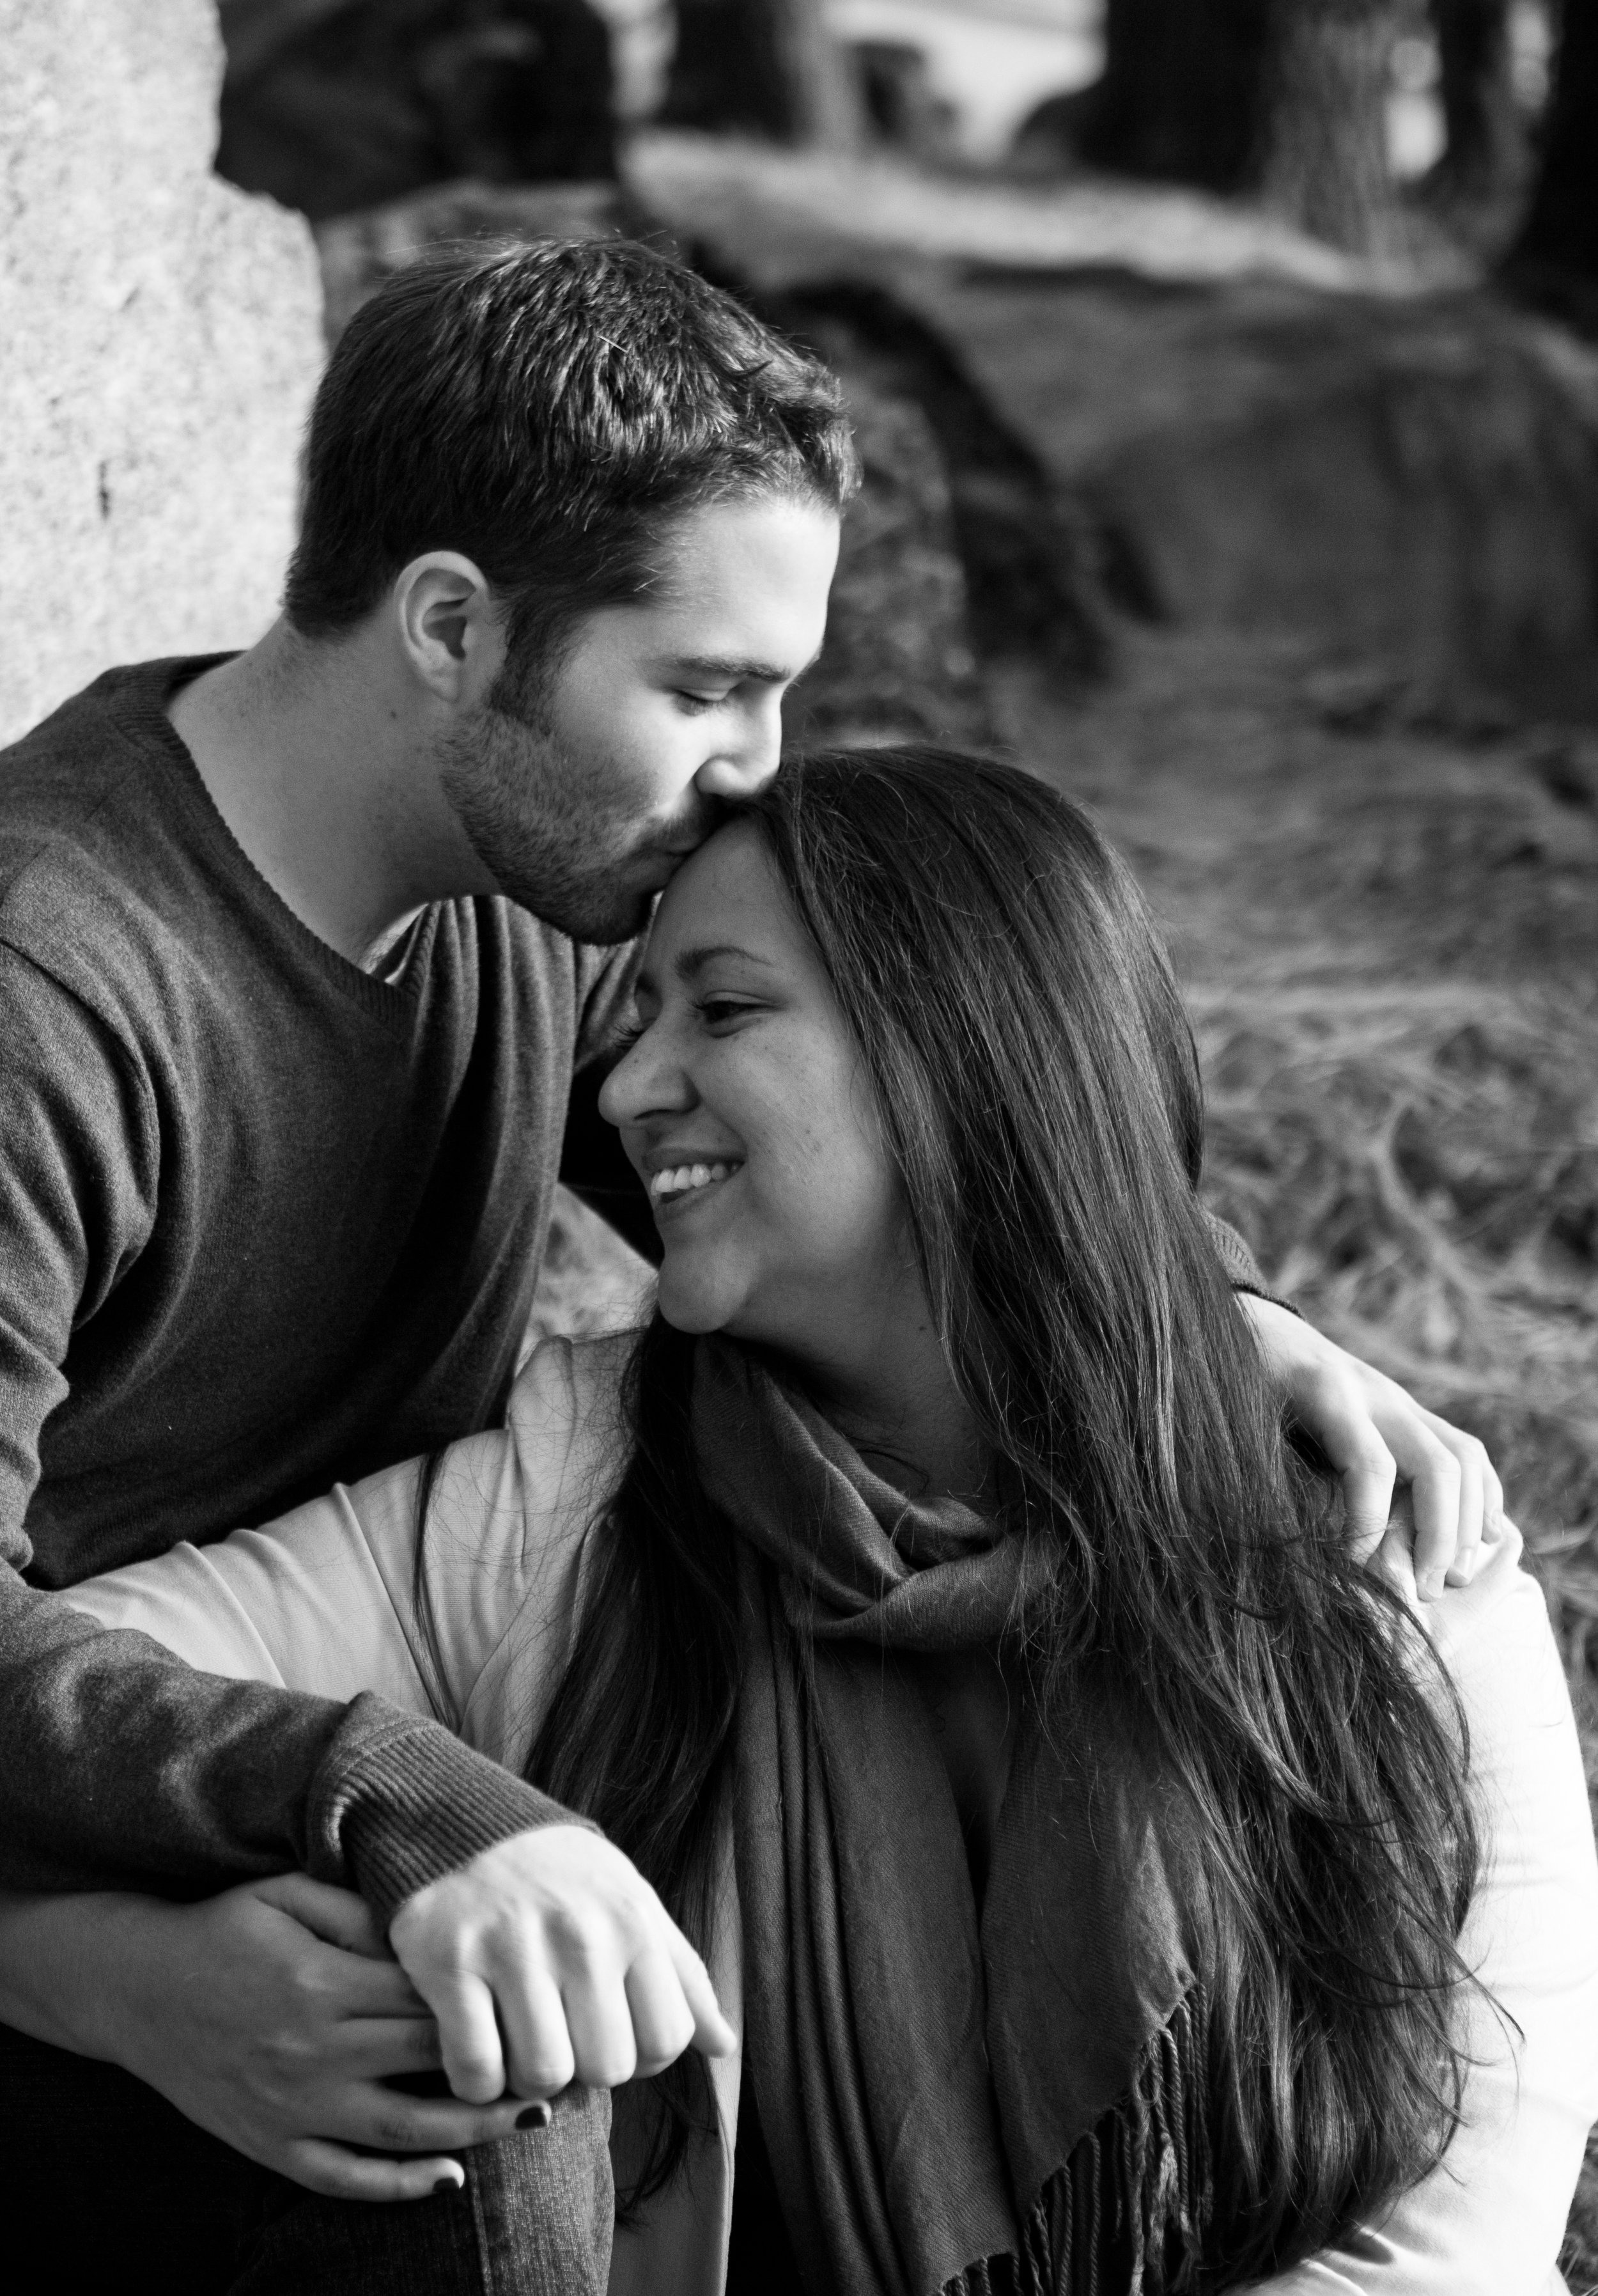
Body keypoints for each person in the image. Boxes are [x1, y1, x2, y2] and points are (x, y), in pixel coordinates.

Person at [0, 239, 1498, 2283]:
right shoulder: (51, 987)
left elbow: (847, 1164)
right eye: (706, 686)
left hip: (377, 1814)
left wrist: (1203, 1308)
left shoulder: (530, 885)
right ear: (451, 625)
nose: (759, 764)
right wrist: (196, 1901)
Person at [24, 749, 1597, 2295]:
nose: (628, 1088)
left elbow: (1438, 2257)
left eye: (721, 1009)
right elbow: (75, 1674)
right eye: (635, 1018)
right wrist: (220, 1909)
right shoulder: (572, 1494)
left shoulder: (1389, 1552)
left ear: (957, 1056)